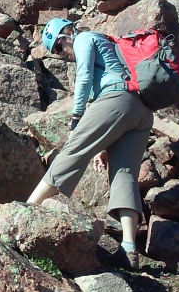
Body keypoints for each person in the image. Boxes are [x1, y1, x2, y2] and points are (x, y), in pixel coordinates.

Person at [26, 18, 154, 270]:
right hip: (141, 111)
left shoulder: (84, 38)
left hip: (115, 99)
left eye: (59, 49)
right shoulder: (107, 45)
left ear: (66, 35)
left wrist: (76, 117)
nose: (62, 56)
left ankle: (28, 207)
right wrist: (105, 147)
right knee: (124, 172)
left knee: (73, 151)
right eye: (56, 54)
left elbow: (84, 76)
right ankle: (129, 248)